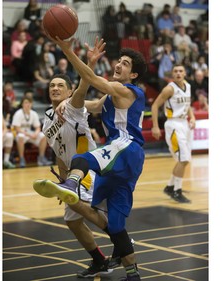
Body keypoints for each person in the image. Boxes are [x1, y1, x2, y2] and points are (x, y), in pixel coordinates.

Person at [34, 33, 147, 280]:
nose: (118, 64)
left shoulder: (127, 90)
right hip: (120, 160)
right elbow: (90, 104)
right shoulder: (110, 97)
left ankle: (71, 185)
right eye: (119, 60)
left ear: (134, 75)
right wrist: (68, 102)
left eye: (125, 64)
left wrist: (67, 49)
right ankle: (132, 273)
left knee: (81, 161)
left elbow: (91, 81)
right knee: (115, 227)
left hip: (127, 147)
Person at [38, 37, 115, 278]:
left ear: (69, 91)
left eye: (61, 85)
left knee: (87, 210)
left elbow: (83, 87)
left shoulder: (74, 105)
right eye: (52, 85)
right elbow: (60, 155)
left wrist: (89, 63)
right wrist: (63, 185)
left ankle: (123, 243)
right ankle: (100, 261)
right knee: (72, 221)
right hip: (71, 176)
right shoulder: (47, 118)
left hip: (88, 172)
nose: (55, 88)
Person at [150, 64, 196, 203]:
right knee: (184, 159)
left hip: (184, 124)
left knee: (183, 159)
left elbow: (187, 106)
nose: (178, 73)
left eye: (181, 71)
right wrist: (155, 126)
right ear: (172, 74)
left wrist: (192, 117)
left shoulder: (187, 86)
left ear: (185, 73)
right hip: (173, 124)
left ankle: (170, 187)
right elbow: (154, 106)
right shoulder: (169, 89)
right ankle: (177, 191)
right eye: (175, 71)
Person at [11, 96, 52, 168]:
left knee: (43, 136)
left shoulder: (33, 113)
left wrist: (36, 133)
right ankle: (21, 159)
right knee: (21, 136)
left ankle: (41, 158)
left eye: (29, 103)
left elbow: (38, 127)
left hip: (29, 132)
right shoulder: (18, 113)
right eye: (26, 103)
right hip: (20, 133)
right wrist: (30, 135)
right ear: (22, 104)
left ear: (31, 104)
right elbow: (17, 128)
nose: (28, 104)